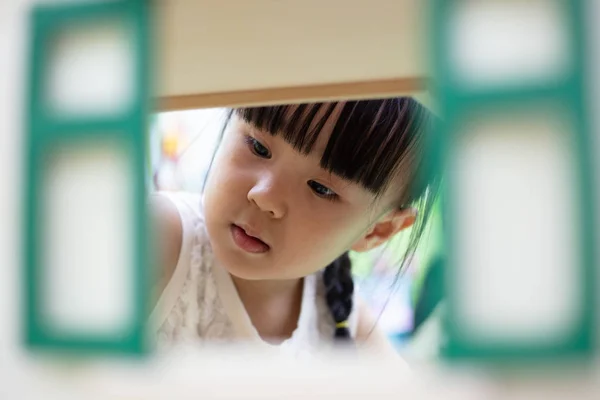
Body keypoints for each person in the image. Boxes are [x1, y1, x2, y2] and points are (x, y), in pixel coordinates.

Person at [149, 98, 439, 359]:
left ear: (377, 231)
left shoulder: (342, 317)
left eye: (320, 189)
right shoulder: (162, 237)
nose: (264, 196)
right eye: (258, 147)